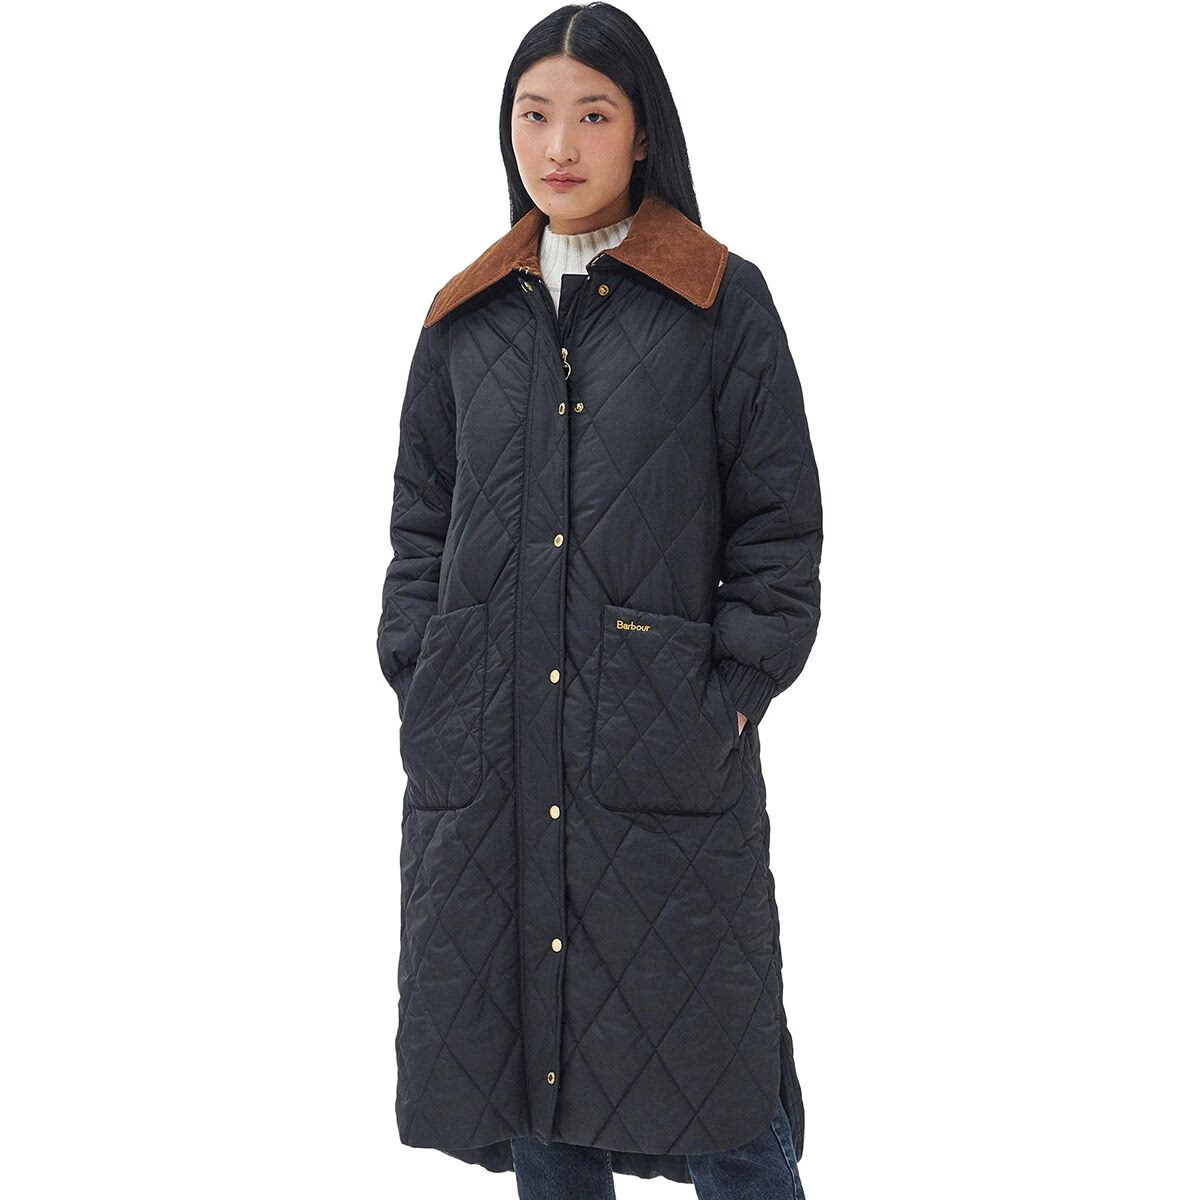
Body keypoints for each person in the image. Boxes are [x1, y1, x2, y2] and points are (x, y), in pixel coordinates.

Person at [376, 4, 822, 1195]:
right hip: (495, 761)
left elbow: (778, 527)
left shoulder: (718, 302)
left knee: (720, 1090)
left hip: (662, 762)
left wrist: (729, 693)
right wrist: (424, 675)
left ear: (642, 131)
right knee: (539, 1087)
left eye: (592, 114)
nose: (559, 145)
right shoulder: (466, 318)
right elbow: (420, 524)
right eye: (534, 115)